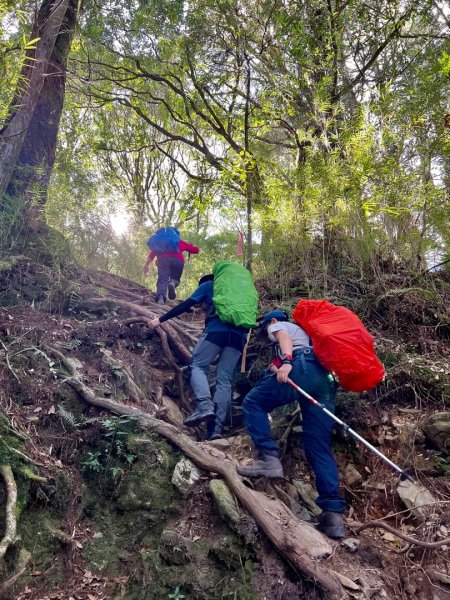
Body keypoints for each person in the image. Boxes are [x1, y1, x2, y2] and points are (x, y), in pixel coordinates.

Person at [236, 310, 346, 539]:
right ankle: (333, 515)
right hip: (323, 379)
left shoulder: (278, 326)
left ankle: (269, 458)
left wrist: (286, 362)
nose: (267, 334)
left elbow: (283, 338)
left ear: (273, 321)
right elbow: (275, 366)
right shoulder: (306, 335)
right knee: (318, 446)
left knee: (253, 402)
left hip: (299, 366)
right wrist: (278, 365)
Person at [148, 274, 248, 439]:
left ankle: (204, 406)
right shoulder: (237, 292)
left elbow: (186, 304)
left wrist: (160, 319)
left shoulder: (208, 285)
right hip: (239, 336)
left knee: (197, 365)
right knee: (224, 380)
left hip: (217, 330)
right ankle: (215, 429)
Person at [143, 235, 199, 304]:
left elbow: (151, 255)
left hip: (163, 261)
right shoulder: (178, 242)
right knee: (175, 279)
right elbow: (195, 250)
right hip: (178, 260)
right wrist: (193, 246)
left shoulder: (159, 243)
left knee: (163, 280)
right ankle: (173, 282)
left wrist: (146, 265)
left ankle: (161, 298)